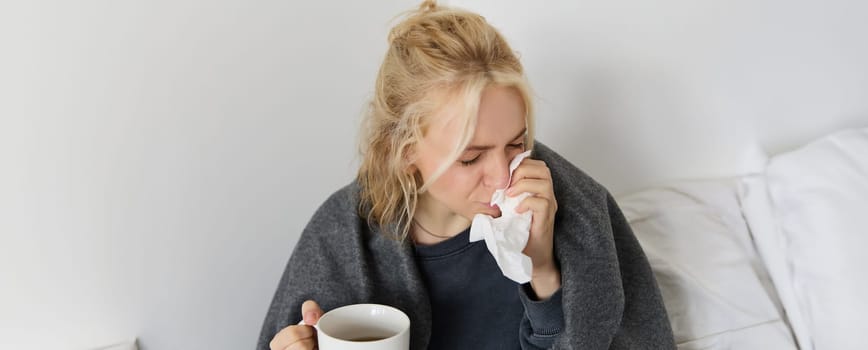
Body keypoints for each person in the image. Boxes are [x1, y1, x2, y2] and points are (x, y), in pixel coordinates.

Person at [258, 1, 674, 349]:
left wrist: (543, 270)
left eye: (516, 143)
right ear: (404, 153)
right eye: (471, 157)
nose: (500, 177)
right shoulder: (342, 235)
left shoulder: (576, 208)